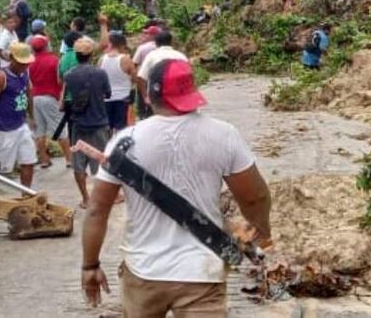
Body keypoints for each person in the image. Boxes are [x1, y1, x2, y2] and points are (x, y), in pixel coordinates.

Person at [81, 59, 272, 315]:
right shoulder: (224, 135)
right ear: (193, 93)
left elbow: (96, 210)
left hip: (143, 271)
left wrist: (90, 265)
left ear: (148, 95)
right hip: (203, 271)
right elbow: (255, 197)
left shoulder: (125, 141)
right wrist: (260, 234)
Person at [62, 37, 111, 209]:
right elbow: (108, 94)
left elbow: (64, 102)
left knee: (79, 162)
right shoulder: (100, 73)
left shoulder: (69, 75)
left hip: (78, 125)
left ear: (76, 55)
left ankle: (86, 198)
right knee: (102, 161)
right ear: (91, 54)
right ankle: (101, 198)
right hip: (98, 123)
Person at [0, 42, 37, 188]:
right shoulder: (1, 76)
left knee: (28, 161)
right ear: (11, 59)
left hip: (21, 125)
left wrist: (31, 116)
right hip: (4, 129)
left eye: (26, 63)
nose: (24, 66)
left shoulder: (24, 74)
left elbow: (28, 94)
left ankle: (26, 196)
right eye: (21, 63)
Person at [28, 36, 69, 168]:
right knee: (60, 128)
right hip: (51, 96)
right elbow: (60, 80)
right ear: (46, 46)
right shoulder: (54, 60)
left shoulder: (30, 62)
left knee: (39, 131)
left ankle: (44, 159)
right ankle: (69, 159)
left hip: (34, 97)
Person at [136, 30, 188, 106]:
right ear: (171, 42)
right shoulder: (181, 56)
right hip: (178, 95)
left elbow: (141, 78)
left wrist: (145, 96)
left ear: (156, 43)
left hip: (158, 96)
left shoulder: (152, 56)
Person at [100, 31, 136, 133]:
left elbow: (99, 78)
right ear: (122, 45)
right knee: (121, 129)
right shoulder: (126, 60)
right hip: (123, 98)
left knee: (107, 127)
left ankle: (107, 147)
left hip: (106, 99)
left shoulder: (102, 59)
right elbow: (134, 78)